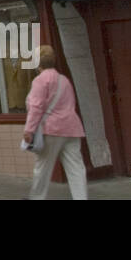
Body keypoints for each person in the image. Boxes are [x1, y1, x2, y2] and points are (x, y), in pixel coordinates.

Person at [22, 45, 87, 200]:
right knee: (76, 168)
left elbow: (36, 107)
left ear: (38, 64)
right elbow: (71, 102)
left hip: (51, 129)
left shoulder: (40, 81)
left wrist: (29, 130)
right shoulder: (64, 80)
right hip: (72, 128)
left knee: (42, 167)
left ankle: (37, 198)